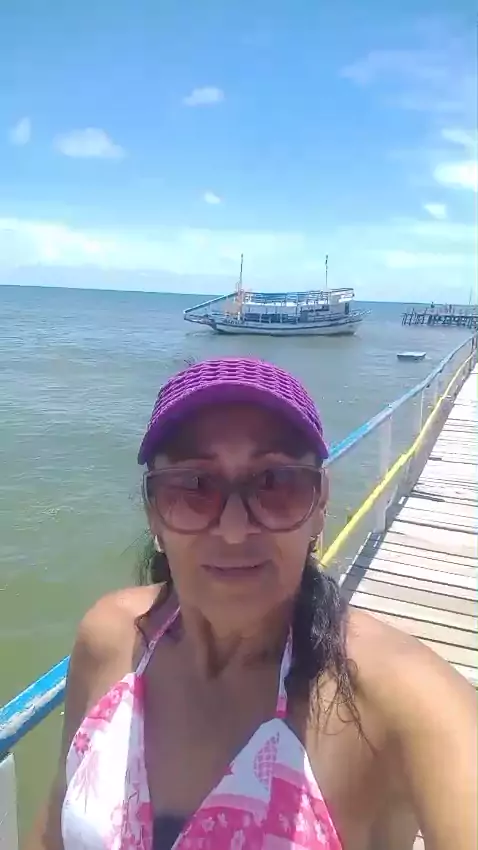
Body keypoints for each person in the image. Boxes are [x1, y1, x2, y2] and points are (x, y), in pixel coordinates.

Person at [28, 357, 476, 850]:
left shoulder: (398, 700)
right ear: (154, 512)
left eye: (276, 483)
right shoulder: (111, 639)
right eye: (194, 487)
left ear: (320, 505)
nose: (234, 530)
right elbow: (51, 834)